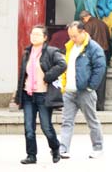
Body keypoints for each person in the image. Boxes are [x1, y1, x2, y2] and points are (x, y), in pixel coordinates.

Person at [16, 25, 67, 165]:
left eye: (38, 35)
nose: (34, 37)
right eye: (32, 34)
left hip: (44, 94)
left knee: (46, 127)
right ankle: (31, 155)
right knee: (28, 127)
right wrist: (18, 95)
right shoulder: (27, 52)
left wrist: (48, 76)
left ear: (45, 38)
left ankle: (55, 148)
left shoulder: (51, 51)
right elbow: (22, 76)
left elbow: (62, 64)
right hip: (28, 94)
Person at [59, 21, 105, 160]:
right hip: (69, 90)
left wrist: (91, 86)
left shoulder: (93, 48)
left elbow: (100, 68)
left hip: (85, 91)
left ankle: (98, 147)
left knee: (92, 121)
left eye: (75, 36)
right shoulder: (70, 46)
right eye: (70, 36)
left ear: (83, 32)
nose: (72, 39)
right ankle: (63, 148)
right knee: (67, 121)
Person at [77, 9, 110, 111]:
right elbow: (108, 38)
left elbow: (84, 41)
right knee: (101, 79)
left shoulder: (88, 26)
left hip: (92, 53)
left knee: (91, 78)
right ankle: (100, 105)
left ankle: (92, 105)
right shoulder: (103, 24)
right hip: (104, 52)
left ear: (84, 18)